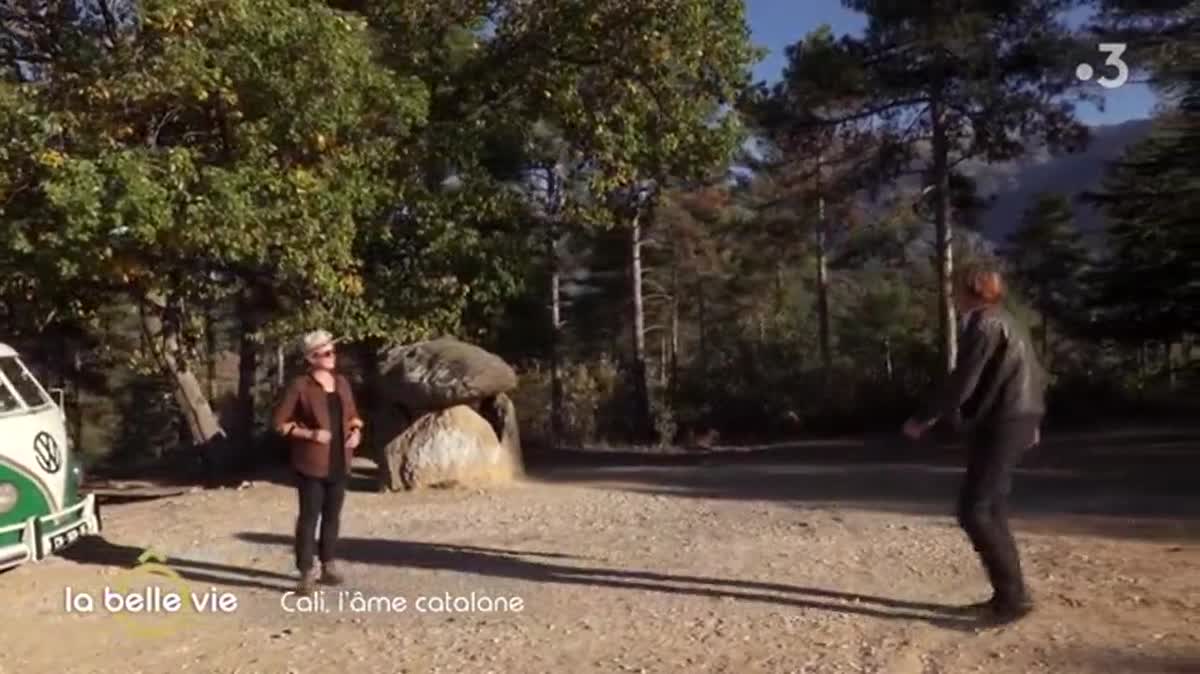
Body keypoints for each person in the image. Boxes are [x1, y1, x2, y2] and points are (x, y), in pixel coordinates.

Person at [902, 264, 1046, 625]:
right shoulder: (1007, 320)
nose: (952, 296)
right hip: (1014, 417)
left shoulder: (983, 325)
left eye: (955, 289)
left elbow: (963, 381)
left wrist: (924, 418)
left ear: (971, 291)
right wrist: (1033, 420)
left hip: (1003, 420)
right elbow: (1031, 372)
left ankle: (1013, 599)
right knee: (991, 506)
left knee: (975, 509)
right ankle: (1010, 595)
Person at [272, 330, 364, 594]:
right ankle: (305, 571)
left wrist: (356, 432)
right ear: (311, 358)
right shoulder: (300, 386)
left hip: (340, 460)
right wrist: (310, 434)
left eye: (333, 351)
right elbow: (279, 423)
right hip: (311, 463)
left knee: (333, 516)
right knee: (309, 517)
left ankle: (328, 564)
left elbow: (353, 415)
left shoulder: (343, 383)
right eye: (325, 353)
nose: (332, 356)